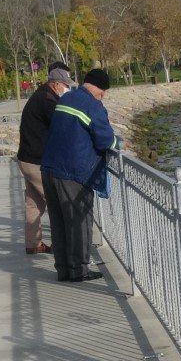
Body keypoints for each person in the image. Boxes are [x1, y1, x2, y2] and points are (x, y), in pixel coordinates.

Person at [40, 68, 119, 282]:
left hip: (49, 168)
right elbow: (105, 140)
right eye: (104, 92)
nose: (103, 96)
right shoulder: (93, 105)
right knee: (79, 221)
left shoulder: (66, 99)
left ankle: (63, 269)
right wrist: (117, 142)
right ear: (99, 89)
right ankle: (79, 270)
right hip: (73, 172)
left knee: (58, 221)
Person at [16, 63, 73, 254]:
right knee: (57, 202)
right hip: (36, 161)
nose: (67, 88)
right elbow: (61, 127)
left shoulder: (41, 95)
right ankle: (62, 245)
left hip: (26, 158)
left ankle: (33, 244)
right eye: (66, 85)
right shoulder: (48, 101)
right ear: (56, 84)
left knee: (34, 203)